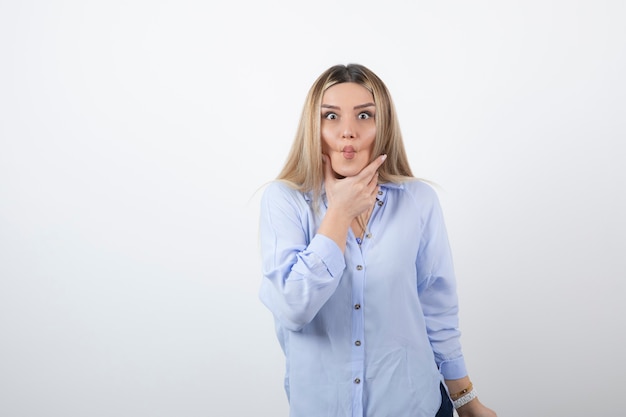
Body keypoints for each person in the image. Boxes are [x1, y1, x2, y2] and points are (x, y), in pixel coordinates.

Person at [258, 63, 497, 417]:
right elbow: (294, 306)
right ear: (313, 126)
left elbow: (437, 308)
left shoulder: (418, 201)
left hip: (415, 406)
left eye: (364, 115)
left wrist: (465, 400)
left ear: (382, 125)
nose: (348, 132)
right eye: (331, 116)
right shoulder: (283, 201)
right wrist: (338, 214)